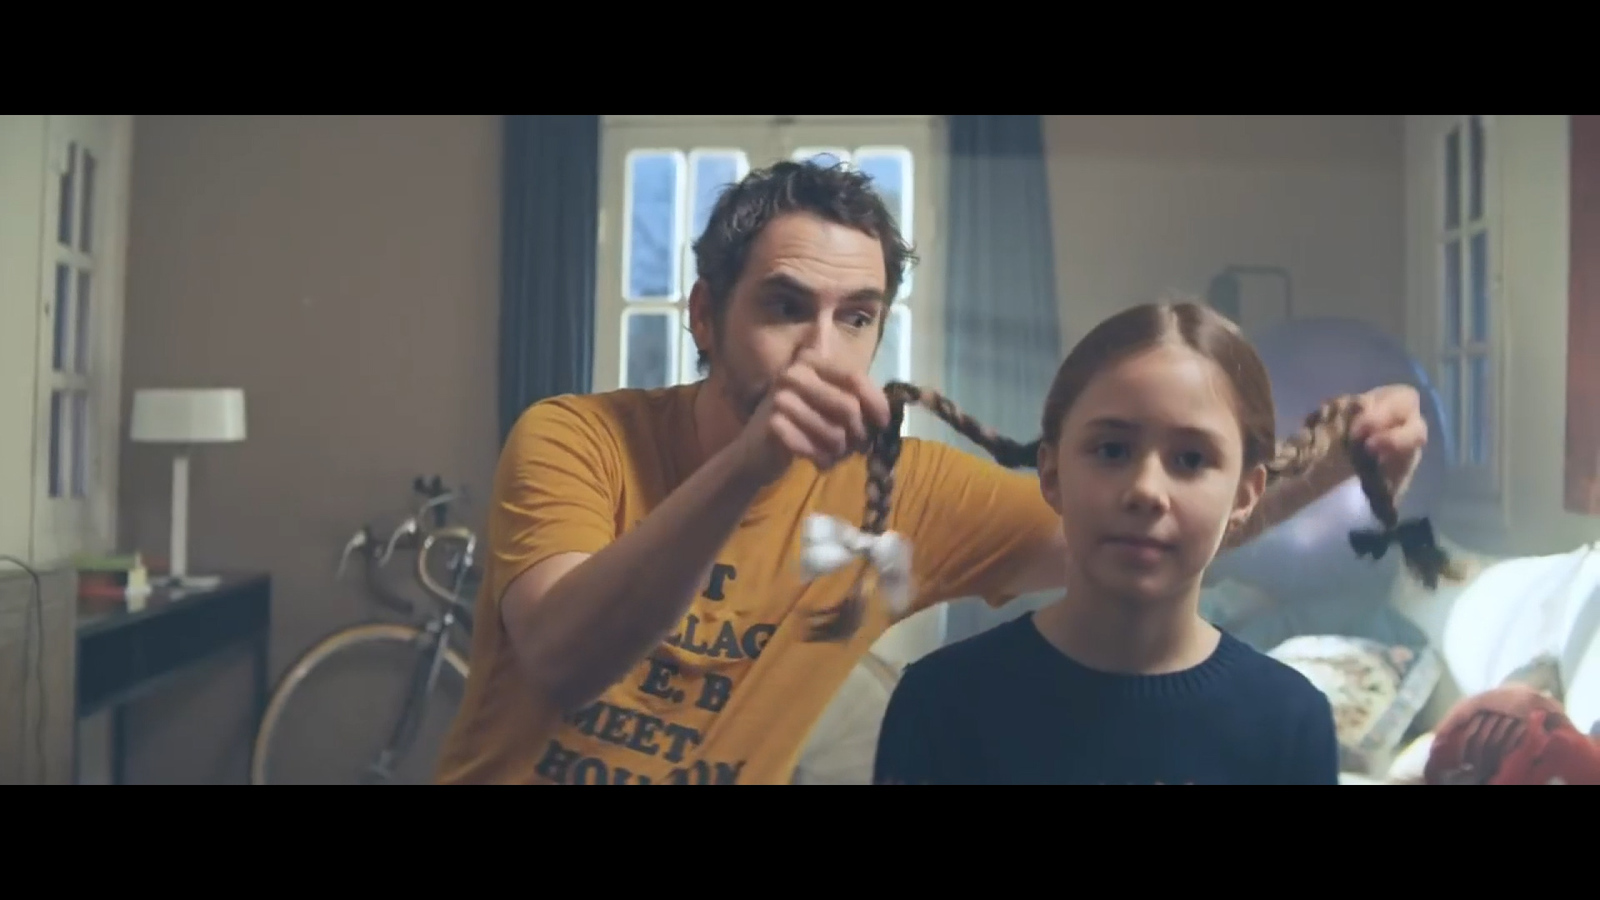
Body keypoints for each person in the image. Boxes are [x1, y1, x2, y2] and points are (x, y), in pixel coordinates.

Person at [433, 160, 1429, 785]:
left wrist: (1323, 468)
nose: (825, 350)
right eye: (786, 308)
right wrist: (750, 466)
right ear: (704, 316)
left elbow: (1141, 529)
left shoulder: (911, 490)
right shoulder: (573, 439)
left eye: (856, 316)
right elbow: (563, 656)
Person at [871, 300, 1400, 785]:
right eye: (1111, 450)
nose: (1146, 490)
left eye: (1191, 459)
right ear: (1051, 472)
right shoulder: (942, 705)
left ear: (1245, 495)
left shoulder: (1289, 721)